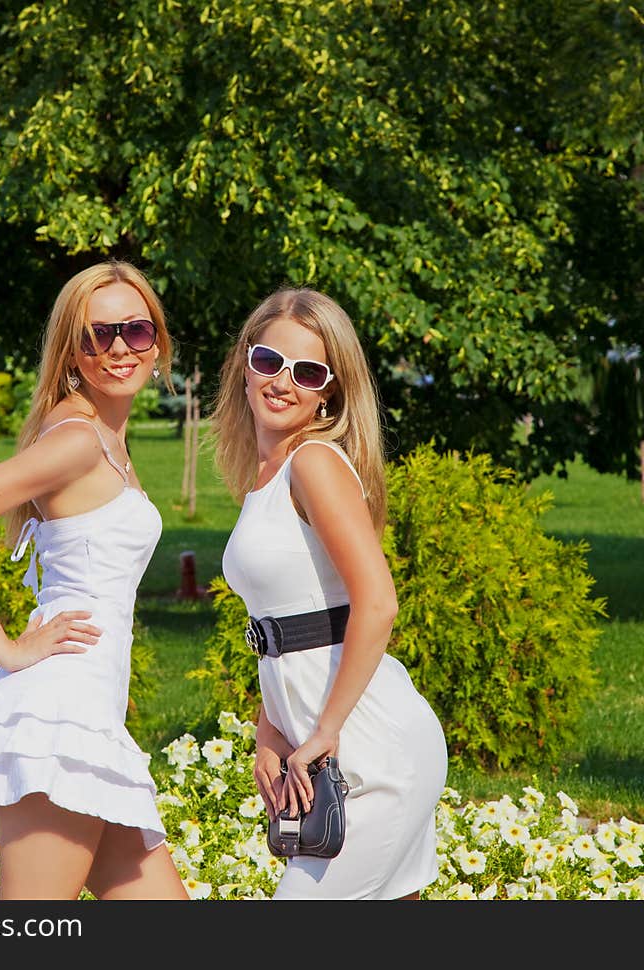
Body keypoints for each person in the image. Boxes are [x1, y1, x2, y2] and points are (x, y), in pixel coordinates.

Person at [0, 260, 189, 900]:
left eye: (136, 331)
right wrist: (6, 650)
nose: (119, 348)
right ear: (72, 348)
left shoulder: (103, 436)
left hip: (89, 719)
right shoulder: (79, 441)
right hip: (60, 719)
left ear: (158, 341)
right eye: (97, 335)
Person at [210, 287, 448, 900]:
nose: (282, 382)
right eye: (269, 361)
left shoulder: (313, 463)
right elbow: (296, 625)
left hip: (370, 750)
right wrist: (270, 730)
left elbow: (377, 603)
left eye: (307, 371)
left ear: (329, 392)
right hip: (335, 747)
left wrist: (323, 731)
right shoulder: (266, 477)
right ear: (245, 362)